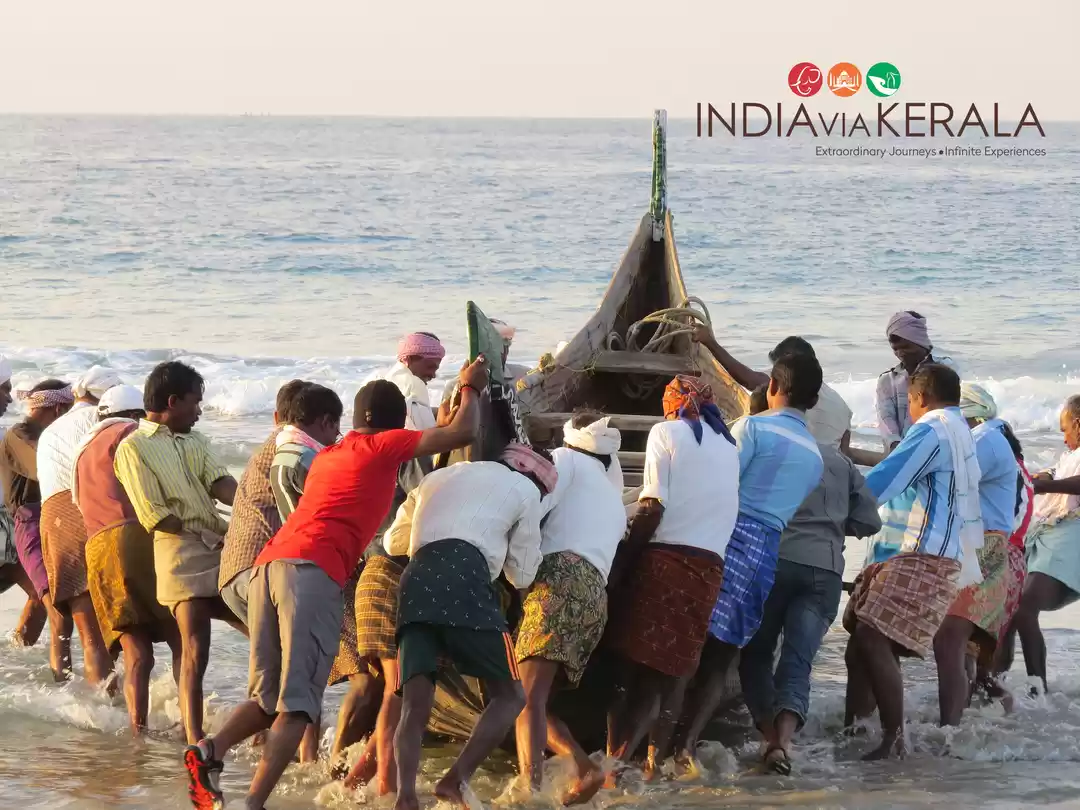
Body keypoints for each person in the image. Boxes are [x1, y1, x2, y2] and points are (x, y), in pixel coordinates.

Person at [181, 357, 487, 810]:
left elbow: (428, 448)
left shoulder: (331, 453)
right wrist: (472, 388)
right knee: (299, 705)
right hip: (311, 573)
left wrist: (437, 430)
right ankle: (251, 805)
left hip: (268, 568)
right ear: (396, 424)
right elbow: (466, 434)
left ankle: (209, 750)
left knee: (267, 699)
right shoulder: (383, 446)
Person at [386, 441, 554, 810]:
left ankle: (406, 798)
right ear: (534, 478)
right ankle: (454, 780)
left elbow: (393, 541)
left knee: (415, 704)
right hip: (466, 579)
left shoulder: (438, 476)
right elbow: (523, 574)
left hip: (415, 581)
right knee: (511, 696)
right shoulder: (526, 490)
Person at [679, 353, 825, 763]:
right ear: (812, 402)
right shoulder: (814, 458)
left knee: (688, 640)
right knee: (724, 652)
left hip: (725, 537)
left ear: (773, 386)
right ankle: (686, 745)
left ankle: (659, 739)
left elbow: (718, 483)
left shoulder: (751, 428)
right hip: (765, 554)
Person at [843, 364, 981, 759]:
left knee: (870, 634)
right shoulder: (961, 431)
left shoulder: (932, 428)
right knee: (860, 646)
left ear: (918, 398)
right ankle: (855, 731)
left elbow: (888, 477)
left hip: (922, 553)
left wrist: (843, 512)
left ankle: (893, 739)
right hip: (945, 554)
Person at [605, 376, 738, 781]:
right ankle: (653, 766)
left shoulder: (666, 431)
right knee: (675, 667)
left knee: (630, 665)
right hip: (710, 568)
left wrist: (623, 560)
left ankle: (613, 761)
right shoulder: (730, 446)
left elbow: (652, 506)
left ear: (672, 404)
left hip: (666, 561)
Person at [218, 380, 345, 763]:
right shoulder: (293, 451)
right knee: (304, 670)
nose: (338, 435)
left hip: (243, 570)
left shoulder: (277, 444)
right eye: (335, 426)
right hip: (267, 572)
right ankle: (305, 760)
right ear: (322, 421)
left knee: (278, 678)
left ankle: (247, 749)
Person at [113, 361, 239, 746]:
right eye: (195, 403)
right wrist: (203, 530)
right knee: (194, 649)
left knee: (262, 630)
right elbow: (156, 516)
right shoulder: (133, 448)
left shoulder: (195, 441)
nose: (199, 411)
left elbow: (220, 482)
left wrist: (252, 508)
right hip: (179, 553)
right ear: (172, 402)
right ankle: (195, 737)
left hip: (219, 548)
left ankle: (258, 723)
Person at [738, 436, 881, 774]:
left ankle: (769, 737)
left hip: (773, 561)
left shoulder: (769, 445)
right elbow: (870, 521)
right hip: (823, 569)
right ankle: (785, 742)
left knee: (756, 654)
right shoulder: (840, 461)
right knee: (798, 659)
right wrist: (832, 524)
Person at [513, 413, 626, 805]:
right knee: (535, 700)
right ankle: (579, 768)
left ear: (570, 437)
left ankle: (533, 793)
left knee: (522, 699)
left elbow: (530, 506)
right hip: (595, 597)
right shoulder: (613, 488)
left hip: (559, 582)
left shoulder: (564, 460)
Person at [72, 384, 183, 735]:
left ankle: (139, 730)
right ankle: (188, 723)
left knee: (135, 648)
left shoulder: (84, 447)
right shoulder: (132, 433)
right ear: (137, 413)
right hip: (134, 536)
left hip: (98, 548)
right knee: (181, 635)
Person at [934, 382, 1020, 722]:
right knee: (964, 647)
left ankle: (949, 729)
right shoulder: (991, 438)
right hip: (982, 546)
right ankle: (960, 721)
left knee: (949, 639)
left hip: (982, 548)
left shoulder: (983, 440)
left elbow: (946, 475)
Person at [36, 365, 121, 687]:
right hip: (87, 514)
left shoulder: (52, 429)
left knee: (85, 631)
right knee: (110, 631)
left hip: (54, 524)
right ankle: (111, 712)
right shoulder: (103, 423)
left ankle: (86, 704)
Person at [0, 379, 75, 679]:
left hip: (23, 529)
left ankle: (17, 656)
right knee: (54, 604)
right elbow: (47, 469)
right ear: (57, 408)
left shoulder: (37, 435)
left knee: (42, 598)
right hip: (15, 531)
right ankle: (61, 680)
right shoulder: (21, 435)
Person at [1008, 394, 1080, 693]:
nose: (1064, 438)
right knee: (1009, 608)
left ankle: (1039, 688)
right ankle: (994, 683)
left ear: (1078, 423)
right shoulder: (1071, 454)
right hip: (1050, 536)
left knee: (1024, 605)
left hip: (1070, 540)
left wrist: (1042, 485)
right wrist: (1042, 475)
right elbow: (1059, 469)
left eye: (1065, 429)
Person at [691, 325, 853, 450]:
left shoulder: (793, 389)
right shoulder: (843, 407)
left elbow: (749, 380)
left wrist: (710, 342)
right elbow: (845, 453)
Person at [0, 356, 47, 648]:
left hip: (8, 527)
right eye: (3, 389)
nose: (8, 397)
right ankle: (20, 649)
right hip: (7, 531)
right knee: (44, 592)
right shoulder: (9, 436)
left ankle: (19, 651)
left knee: (43, 593)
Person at [875, 311, 959, 451]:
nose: (900, 353)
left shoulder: (946, 370)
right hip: (902, 449)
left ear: (920, 342)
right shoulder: (887, 380)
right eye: (895, 349)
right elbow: (886, 418)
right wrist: (897, 449)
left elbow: (955, 412)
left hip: (943, 448)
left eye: (906, 347)